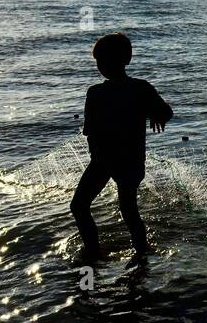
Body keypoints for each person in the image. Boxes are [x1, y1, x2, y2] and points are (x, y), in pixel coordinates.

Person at [70, 32, 173, 261]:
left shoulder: (97, 93)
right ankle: (139, 254)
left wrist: (158, 114)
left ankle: (96, 253)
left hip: (108, 160)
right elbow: (166, 112)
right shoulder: (140, 88)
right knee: (126, 210)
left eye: (105, 60)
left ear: (123, 61)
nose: (102, 66)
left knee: (83, 206)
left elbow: (90, 132)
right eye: (99, 61)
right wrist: (158, 114)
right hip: (127, 160)